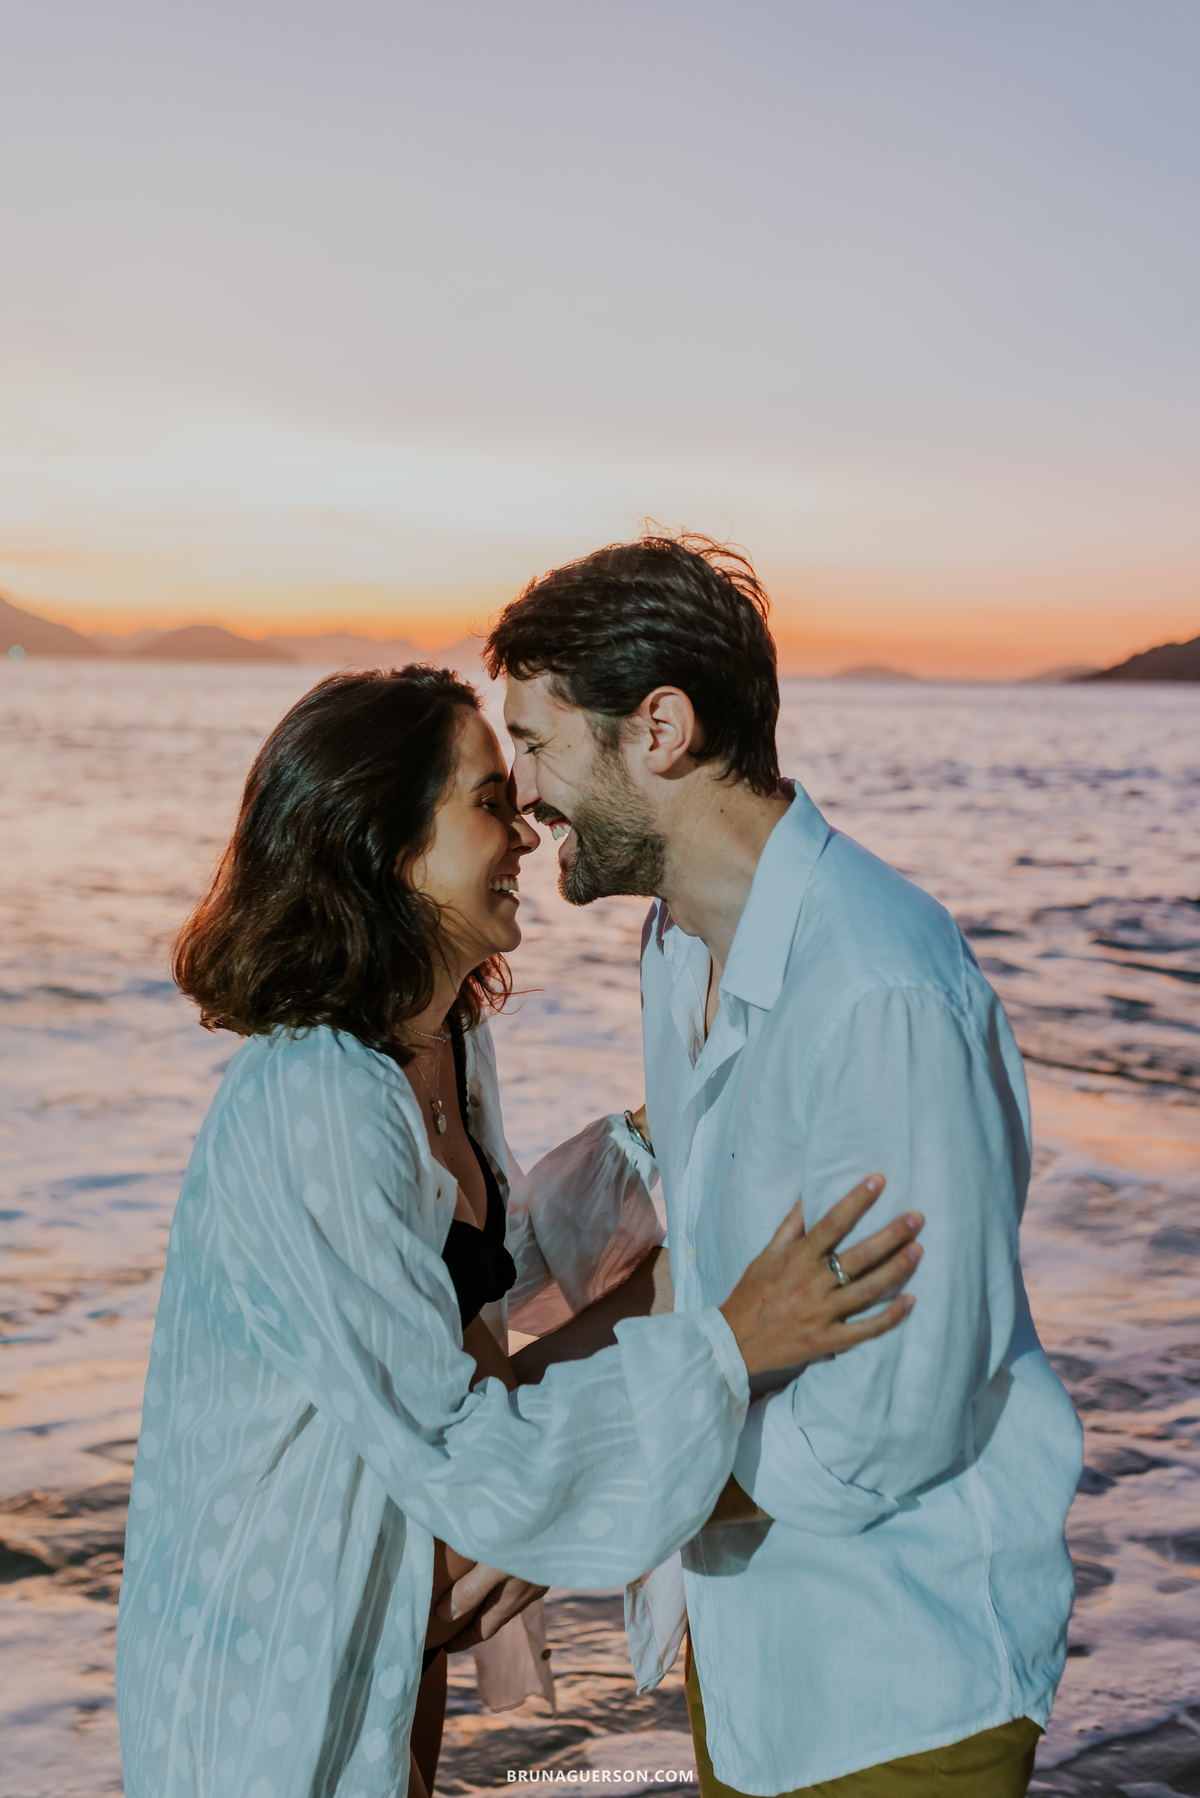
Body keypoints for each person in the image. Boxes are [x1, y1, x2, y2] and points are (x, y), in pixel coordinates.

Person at [113, 664, 923, 1798]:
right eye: (489, 801)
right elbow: (459, 1444)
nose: (530, 832)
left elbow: (476, 1293)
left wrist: (676, 1204)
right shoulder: (314, 1100)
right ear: (386, 847)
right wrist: (732, 1342)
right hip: (268, 1668)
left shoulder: (442, 1045)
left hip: (386, 1643)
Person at [488, 534, 1085, 1798]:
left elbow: (898, 1418)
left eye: (538, 741)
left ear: (659, 728)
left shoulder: (879, 989)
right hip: (756, 1665)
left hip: (900, 1686)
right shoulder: (676, 948)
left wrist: (631, 1480)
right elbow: (700, 1258)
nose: (521, 789)